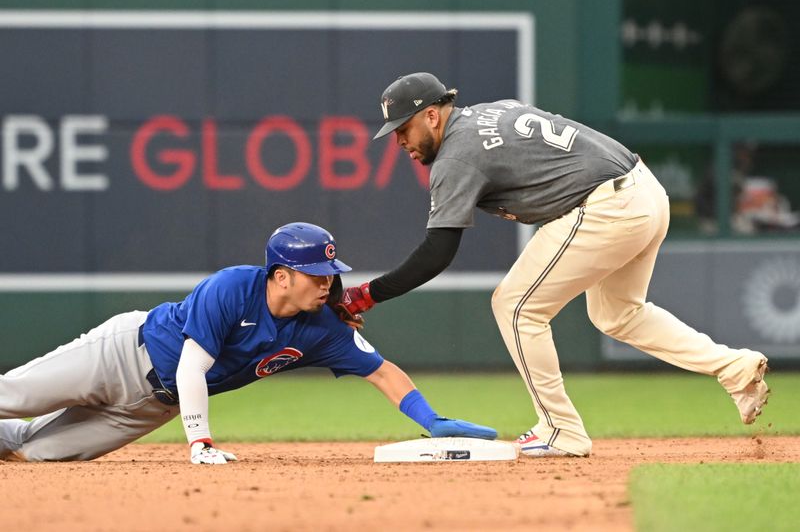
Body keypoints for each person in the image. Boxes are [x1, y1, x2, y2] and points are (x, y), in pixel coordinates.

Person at [339, 72, 770, 458]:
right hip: (645, 190)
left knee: (516, 306)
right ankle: (734, 367)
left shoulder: (455, 155)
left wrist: (368, 294)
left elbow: (439, 251)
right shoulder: (492, 110)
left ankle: (561, 430)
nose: (399, 142)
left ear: (432, 116)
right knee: (617, 314)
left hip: (608, 204)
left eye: (403, 128)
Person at [0, 222, 496, 463]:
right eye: (316, 274)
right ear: (281, 276)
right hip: (123, 355)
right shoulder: (233, 287)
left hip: (151, 408)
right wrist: (201, 442)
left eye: (331, 273)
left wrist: (431, 419)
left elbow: (382, 372)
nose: (328, 283)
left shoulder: (323, 328)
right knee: (12, 397)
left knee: (35, 453)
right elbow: (191, 367)